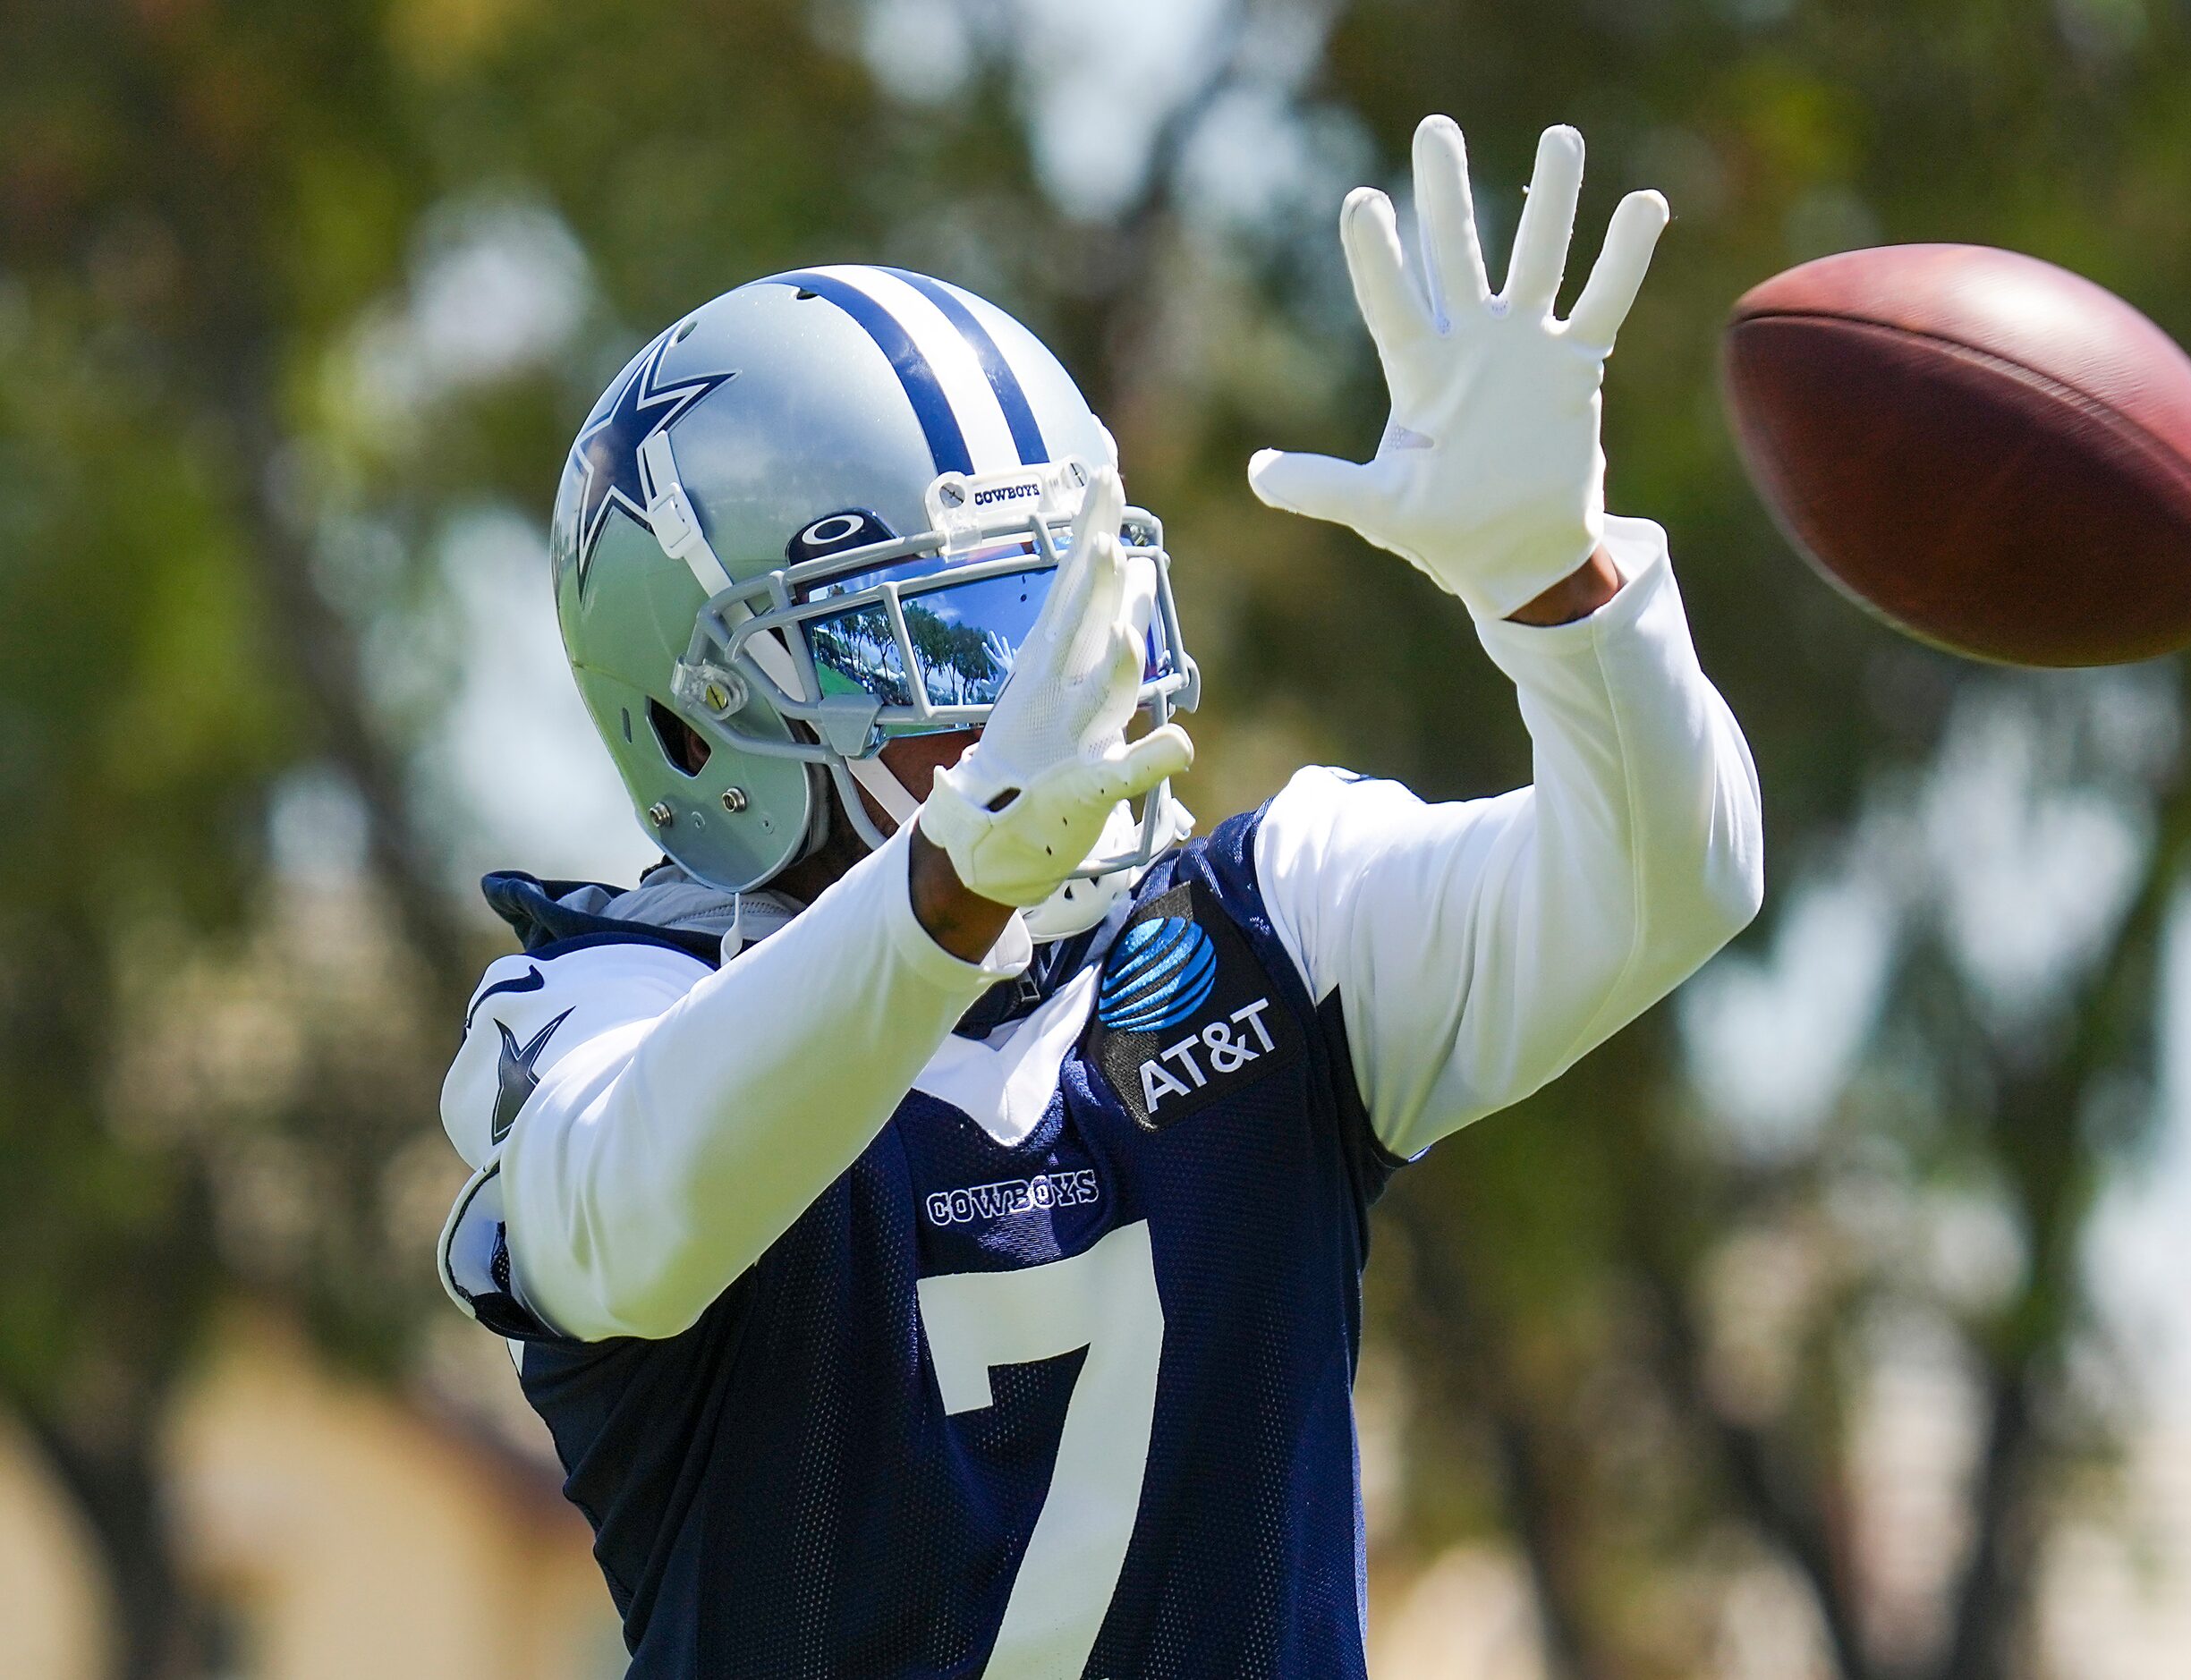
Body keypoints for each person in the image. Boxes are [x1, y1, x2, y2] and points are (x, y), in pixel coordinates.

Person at [435, 114, 1762, 1678]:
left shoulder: (1269, 930)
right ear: (699, 716)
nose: (1038, 688)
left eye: (1046, 602)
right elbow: (641, 1213)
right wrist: (943, 898)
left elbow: (1670, 885)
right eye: (933, 638)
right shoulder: (600, 1010)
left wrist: (1564, 591)